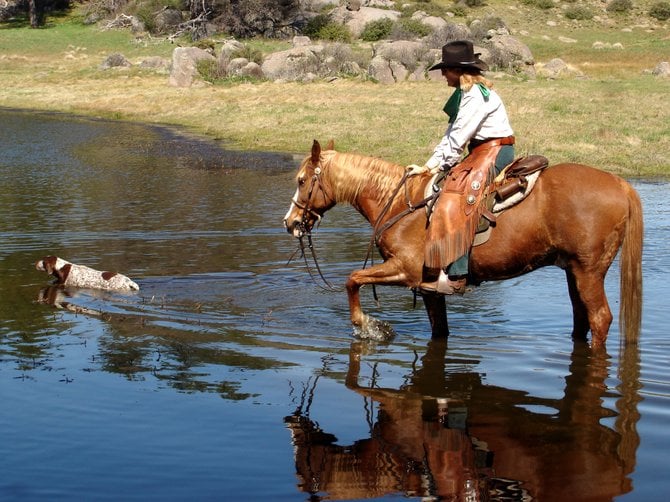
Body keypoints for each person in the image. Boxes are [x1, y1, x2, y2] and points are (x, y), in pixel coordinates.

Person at [407, 40, 515, 295]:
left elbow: (459, 137)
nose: (443, 74)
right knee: (448, 187)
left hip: (494, 150)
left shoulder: (475, 96)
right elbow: (452, 133)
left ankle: (458, 274)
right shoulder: (465, 94)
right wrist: (429, 165)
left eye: (445, 70)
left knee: (457, 197)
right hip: (481, 150)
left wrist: (440, 164)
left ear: (457, 70)